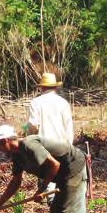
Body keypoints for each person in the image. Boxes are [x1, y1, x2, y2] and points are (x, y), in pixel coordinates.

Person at [27, 72, 74, 204]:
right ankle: (52, 201)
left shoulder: (36, 102)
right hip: (61, 145)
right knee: (58, 174)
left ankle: (48, 201)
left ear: (41, 87)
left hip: (43, 144)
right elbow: (68, 127)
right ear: (55, 87)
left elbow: (32, 124)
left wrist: (31, 140)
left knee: (45, 172)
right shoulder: (63, 103)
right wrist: (69, 147)